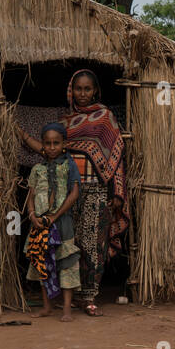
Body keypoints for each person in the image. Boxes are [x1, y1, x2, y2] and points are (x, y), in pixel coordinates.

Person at [17, 69, 128, 316]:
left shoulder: (105, 118)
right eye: (78, 88)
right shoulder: (64, 122)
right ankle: (65, 296)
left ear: (96, 91)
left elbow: (117, 155)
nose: (83, 93)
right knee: (66, 244)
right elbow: (44, 149)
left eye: (88, 89)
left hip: (96, 190)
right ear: (71, 90)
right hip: (64, 192)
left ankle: (88, 298)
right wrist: (21, 133)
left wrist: (118, 191)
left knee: (92, 245)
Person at [24, 123, 81, 320]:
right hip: (39, 224)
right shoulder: (37, 168)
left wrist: (54, 217)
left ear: (64, 143)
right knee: (42, 263)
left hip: (61, 222)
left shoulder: (69, 165)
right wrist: (33, 216)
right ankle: (47, 307)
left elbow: (74, 194)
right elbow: (30, 196)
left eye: (56, 143)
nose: (51, 147)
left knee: (65, 263)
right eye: (47, 143)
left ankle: (66, 309)